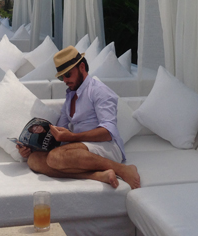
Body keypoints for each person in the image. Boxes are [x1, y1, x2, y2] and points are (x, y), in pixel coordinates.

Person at [17, 45, 141, 189]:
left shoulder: (99, 91)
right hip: (79, 148)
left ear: (81, 67)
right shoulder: (71, 95)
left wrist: (72, 137)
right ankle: (98, 175)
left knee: (55, 157)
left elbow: (108, 133)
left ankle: (122, 169)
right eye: (62, 77)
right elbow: (59, 130)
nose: (65, 80)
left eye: (68, 75)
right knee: (33, 160)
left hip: (105, 146)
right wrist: (30, 146)